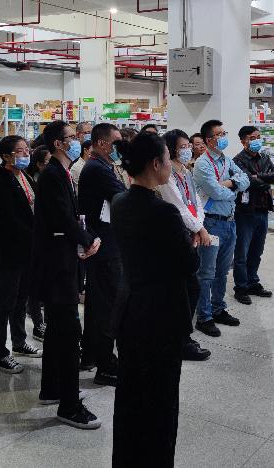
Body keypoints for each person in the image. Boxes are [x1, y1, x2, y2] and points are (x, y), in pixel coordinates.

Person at [111, 132, 199, 468]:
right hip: (161, 316)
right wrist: (190, 243)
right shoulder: (163, 212)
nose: (171, 166)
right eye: (167, 159)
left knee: (131, 396)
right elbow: (188, 264)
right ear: (155, 164)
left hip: (130, 311)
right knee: (160, 403)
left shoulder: (120, 202)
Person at [30, 120, 102, 429]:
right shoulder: (53, 174)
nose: (78, 140)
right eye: (72, 137)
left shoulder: (61, 172)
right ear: (58, 144)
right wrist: (87, 240)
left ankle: (51, 387)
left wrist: (83, 238)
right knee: (70, 332)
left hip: (61, 260)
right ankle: (69, 405)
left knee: (59, 330)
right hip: (56, 267)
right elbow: (62, 218)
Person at [0, 135, 43, 373]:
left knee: (20, 299)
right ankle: (0, 354)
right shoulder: (1, 179)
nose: (26, 153)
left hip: (27, 250)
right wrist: (35, 233)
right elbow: (9, 218)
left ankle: (19, 342)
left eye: (26, 149)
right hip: (9, 251)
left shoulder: (24, 176)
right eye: (19, 151)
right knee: (4, 303)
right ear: (6, 156)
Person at [157, 129, 211, 361]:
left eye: (189, 145)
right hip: (176, 237)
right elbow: (177, 207)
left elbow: (196, 202)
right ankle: (180, 339)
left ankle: (183, 336)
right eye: (183, 146)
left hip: (191, 233)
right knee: (185, 290)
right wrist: (199, 228)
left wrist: (198, 226)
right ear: (170, 149)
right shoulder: (167, 175)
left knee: (191, 288)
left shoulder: (186, 171)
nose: (188, 149)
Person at [192, 119, 250, 337]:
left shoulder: (226, 160)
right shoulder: (203, 164)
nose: (224, 137)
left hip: (230, 221)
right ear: (209, 140)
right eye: (220, 134)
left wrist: (231, 184)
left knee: (223, 271)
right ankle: (204, 316)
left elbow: (245, 180)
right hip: (211, 222)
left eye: (224, 133)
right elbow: (215, 192)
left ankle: (218, 308)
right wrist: (235, 189)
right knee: (207, 272)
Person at [78, 123, 125, 386]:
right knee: (108, 306)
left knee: (98, 304)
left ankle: (92, 355)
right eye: (116, 142)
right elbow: (124, 197)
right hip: (105, 247)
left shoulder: (104, 166)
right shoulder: (96, 169)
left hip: (106, 243)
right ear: (102, 143)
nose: (119, 147)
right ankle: (105, 364)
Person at [232, 126, 274, 305]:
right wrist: (263, 180)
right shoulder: (237, 160)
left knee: (257, 251)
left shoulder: (264, 157)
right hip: (245, 211)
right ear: (243, 141)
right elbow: (249, 182)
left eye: (258, 137)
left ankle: (253, 282)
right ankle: (241, 287)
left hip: (263, 209)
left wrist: (258, 176)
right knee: (242, 253)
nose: (257, 140)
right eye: (252, 138)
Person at [24, 145, 51, 341]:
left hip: (45, 237)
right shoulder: (32, 180)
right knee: (33, 285)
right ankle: (37, 323)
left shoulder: (51, 178)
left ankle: (47, 322)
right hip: (32, 238)